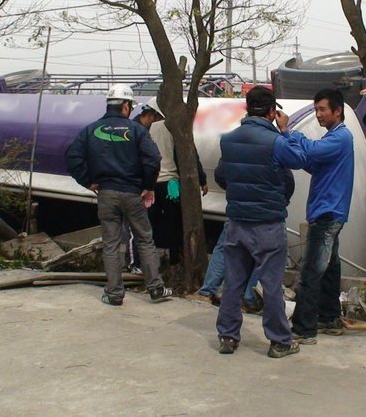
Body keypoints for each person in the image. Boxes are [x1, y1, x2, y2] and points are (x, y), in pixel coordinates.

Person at [215, 86, 306, 358]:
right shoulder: (276, 141)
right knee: (271, 285)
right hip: (268, 223)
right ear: (271, 111)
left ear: (247, 108)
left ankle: (227, 337)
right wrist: (285, 130)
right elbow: (299, 160)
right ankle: (279, 342)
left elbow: (221, 175)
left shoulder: (228, 140)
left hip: (237, 222)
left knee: (233, 282)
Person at [66, 84, 173, 306]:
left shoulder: (91, 130)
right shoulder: (137, 130)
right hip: (133, 193)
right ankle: (155, 288)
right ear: (125, 105)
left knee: (111, 244)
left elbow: (72, 157)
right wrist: (148, 186)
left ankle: (114, 294)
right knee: (145, 239)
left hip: (106, 193)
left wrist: (88, 182)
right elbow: (153, 159)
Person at [289, 88, 355, 345]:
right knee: (328, 270)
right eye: (316, 109)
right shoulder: (333, 138)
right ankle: (329, 317)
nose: (318, 114)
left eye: (322, 109)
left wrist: (291, 134)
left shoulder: (341, 137)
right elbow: (313, 163)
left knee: (311, 272)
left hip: (327, 213)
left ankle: (304, 329)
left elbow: (314, 151)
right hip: (327, 211)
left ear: (337, 111)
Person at [191, 160, 295, 311]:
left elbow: (220, 173)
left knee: (225, 250)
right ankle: (249, 298)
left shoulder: (234, 146)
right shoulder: (274, 148)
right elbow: (288, 181)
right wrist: (278, 200)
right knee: (262, 256)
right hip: (267, 211)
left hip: (239, 208)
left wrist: (235, 190)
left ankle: (208, 291)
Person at [127, 97, 208, 268]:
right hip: (171, 185)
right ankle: (175, 262)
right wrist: (202, 180)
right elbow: (189, 155)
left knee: (147, 224)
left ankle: (141, 264)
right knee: (174, 225)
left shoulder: (138, 129)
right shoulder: (174, 128)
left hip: (149, 185)